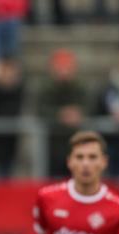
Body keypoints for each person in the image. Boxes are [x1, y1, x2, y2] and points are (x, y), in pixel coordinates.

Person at [37, 48, 87, 178]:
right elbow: (40, 110)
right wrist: (60, 114)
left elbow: (89, 107)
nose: (64, 72)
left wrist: (78, 114)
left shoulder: (80, 88)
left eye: (67, 68)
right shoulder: (45, 88)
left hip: (76, 145)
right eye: (61, 68)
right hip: (52, 146)